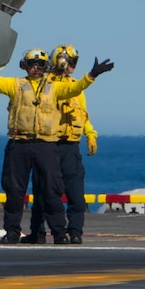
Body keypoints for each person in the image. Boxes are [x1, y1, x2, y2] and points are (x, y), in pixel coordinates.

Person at [0, 48, 113, 245]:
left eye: (41, 64)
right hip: (19, 144)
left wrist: (92, 75)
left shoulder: (54, 87)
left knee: (52, 191)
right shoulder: (15, 85)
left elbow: (75, 90)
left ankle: (60, 233)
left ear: (46, 66)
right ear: (25, 66)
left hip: (46, 144)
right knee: (14, 191)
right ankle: (13, 232)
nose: (36, 67)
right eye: (32, 64)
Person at [25, 45, 97, 244]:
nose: (73, 66)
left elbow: (82, 114)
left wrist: (90, 134)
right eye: (71, 61)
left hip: (71, 146)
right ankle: (37, 232)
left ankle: (75, 231)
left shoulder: (76, 87)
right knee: (41, 191)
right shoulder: (45, 85)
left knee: (75, 191)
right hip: (48, 144)